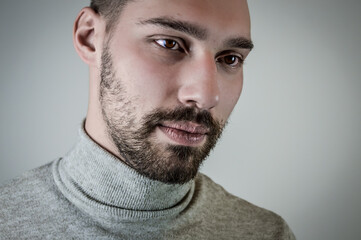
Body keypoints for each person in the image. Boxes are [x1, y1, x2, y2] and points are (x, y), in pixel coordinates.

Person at [0, 0, 295, 239]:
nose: (206, 96)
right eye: (169, 43)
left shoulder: (266, 234)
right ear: (90, 37)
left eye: (230, 58)